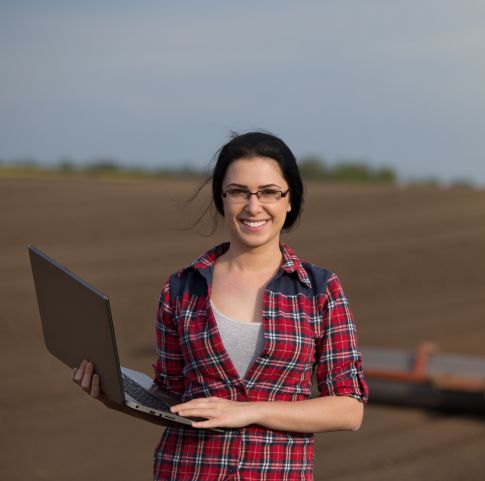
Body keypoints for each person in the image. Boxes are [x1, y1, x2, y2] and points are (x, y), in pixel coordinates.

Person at [72, 131, 368, 480]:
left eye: (269, 192)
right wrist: (115, 396)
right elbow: (171, 400)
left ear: (290, 201)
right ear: (222, 199)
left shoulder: (320, 290)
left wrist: (248, 411)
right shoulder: (182, 288)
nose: (253, 206)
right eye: (238, 192)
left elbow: (349, 410)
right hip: (187, 469)